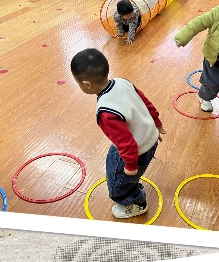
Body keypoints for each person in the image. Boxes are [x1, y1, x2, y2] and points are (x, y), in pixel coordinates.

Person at [70, 48, 166, 220]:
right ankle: (133, 184)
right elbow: (145, 102)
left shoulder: (106, 111)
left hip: (136, 151)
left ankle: (137, 203)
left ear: (87, 84)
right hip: (150, 137)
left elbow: (126, 143)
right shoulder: (122, 82)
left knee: (117, 185)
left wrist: (130, 166)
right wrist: (156, 123)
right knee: (124, 174)